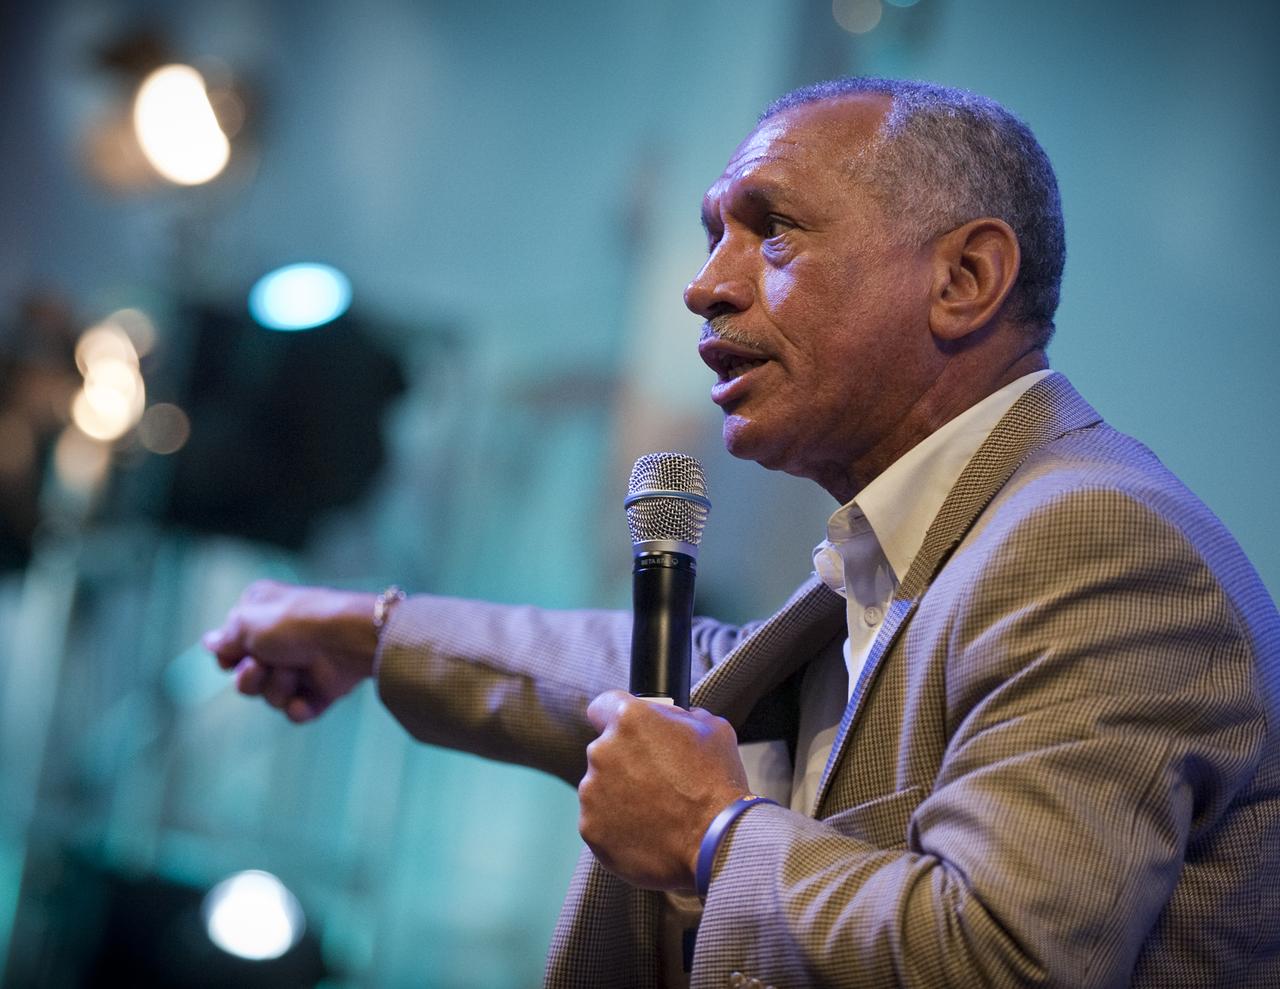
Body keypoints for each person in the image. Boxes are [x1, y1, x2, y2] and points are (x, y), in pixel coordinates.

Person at [203, 78, 1280, 988]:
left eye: (772, 229)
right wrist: (373, 631)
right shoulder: (948, 541)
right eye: (714, 233)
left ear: (962, 279)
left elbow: (1003, 954)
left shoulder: (1093, 541)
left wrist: (715, 836)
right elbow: (695, 689)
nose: (704, 284)